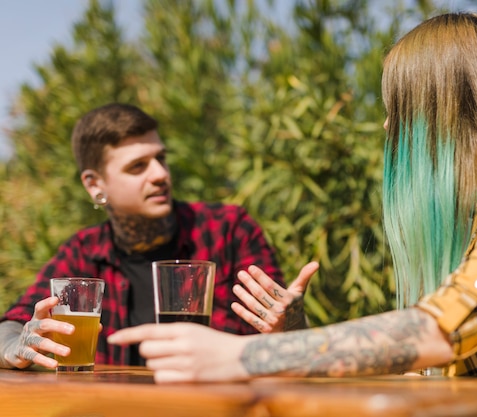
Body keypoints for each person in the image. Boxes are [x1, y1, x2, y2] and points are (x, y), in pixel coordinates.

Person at [108, 12, 477, 382]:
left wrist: (245, 358)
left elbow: (442, 331)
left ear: (437, 113)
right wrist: (296, 337)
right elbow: (432, 368)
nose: (385, 126)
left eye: (394, 109)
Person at [0, 103, 316, 370]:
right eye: (138, 166)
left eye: (160, 159)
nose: (160, 174)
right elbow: (11, 325)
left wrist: (292, 327)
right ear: (95, 185)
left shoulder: (229, 229)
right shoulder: (84, 251)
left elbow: (287, 341)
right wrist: (17, 343)